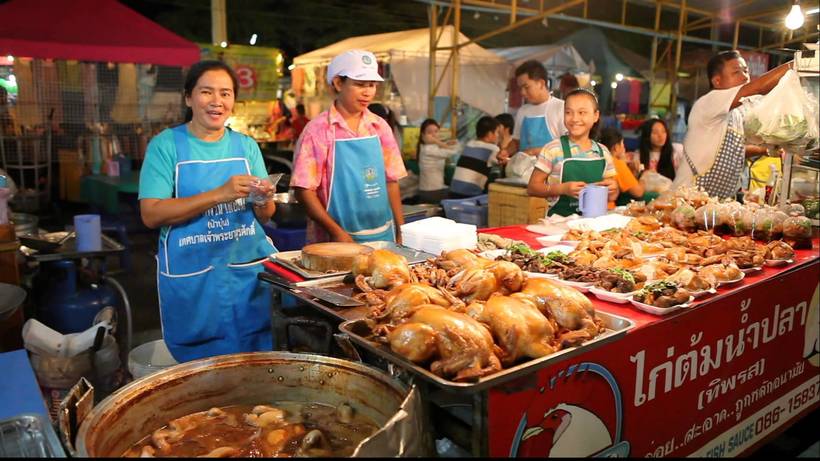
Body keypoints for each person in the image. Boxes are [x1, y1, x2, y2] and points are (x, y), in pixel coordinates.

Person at [138, 60, 278, 363]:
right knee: (204, 373)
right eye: (207, 92)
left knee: (257, 364)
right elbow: (151, 213)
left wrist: (262, 198)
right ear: (189, 98)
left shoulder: (246, 146)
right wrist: (219, 194)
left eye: (226, 93)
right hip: (195, 279)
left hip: (247, 276)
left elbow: (265, 215)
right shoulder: (166, 146)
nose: (217, 101)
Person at [291, 50, 406, 244]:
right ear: (338, 83)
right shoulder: (318, 131)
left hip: (383, 236)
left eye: (372, 85)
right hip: (335, 241)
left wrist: (401, 230)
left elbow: (391, 181)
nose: (368, 92)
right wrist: (337, 232)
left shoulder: (379, 127)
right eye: (360, 84)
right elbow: (304, 191)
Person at [674, 50, 793, 198]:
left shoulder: (739, 112)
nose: (745, 77)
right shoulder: (709, 102)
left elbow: (735, 149)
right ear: (717, 81)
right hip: (687, 197)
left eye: (746, 71)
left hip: (718, 203)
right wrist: (797, 64)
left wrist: (766, 150)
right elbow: (759, 87)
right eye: (736, 72)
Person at [527, 88, 618, 216]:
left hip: (593, 225)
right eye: (568, 112)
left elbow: (612, 195)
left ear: (595, 116)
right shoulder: (552, 149)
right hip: (558, 224)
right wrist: (562, 189)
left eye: (582, 112)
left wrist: (614, 189)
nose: (575, 118)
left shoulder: (603, 152)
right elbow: (532, 188)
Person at [506, 60, 566, 182]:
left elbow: (568, 147)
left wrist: (534, 151)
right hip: (523, 177)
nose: (522, 92)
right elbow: (516, 142)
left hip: (551, 180)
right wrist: (506, 152)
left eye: (526, 87)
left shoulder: (561, 108)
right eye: (520, 88)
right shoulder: (523, 110)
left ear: (541, 83)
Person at [598, 127, 652, 208]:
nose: (624, 148)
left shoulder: (596, 159)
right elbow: (638, 192)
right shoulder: (616, 162)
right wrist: (644, 178)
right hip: (607, 210)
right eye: (623, 144)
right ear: (616, 147)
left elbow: (626, 183)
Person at [449, 116, 501, 198]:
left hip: (452, 193)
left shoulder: (469, 143)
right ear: (490, 134)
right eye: (497, 132)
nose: (499, 136)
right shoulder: (492, 149)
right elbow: (504, 162)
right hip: (469, 197)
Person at [417, 118, 459, 203]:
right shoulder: (428, 149)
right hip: (432, 191)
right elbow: (453, 151)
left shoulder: (430, 147)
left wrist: (442, 143)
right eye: (429, 132)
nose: (433, 135)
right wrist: (438, 142)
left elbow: (454, 146)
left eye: (436, 131)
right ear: (423, 135)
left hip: (432, 190)